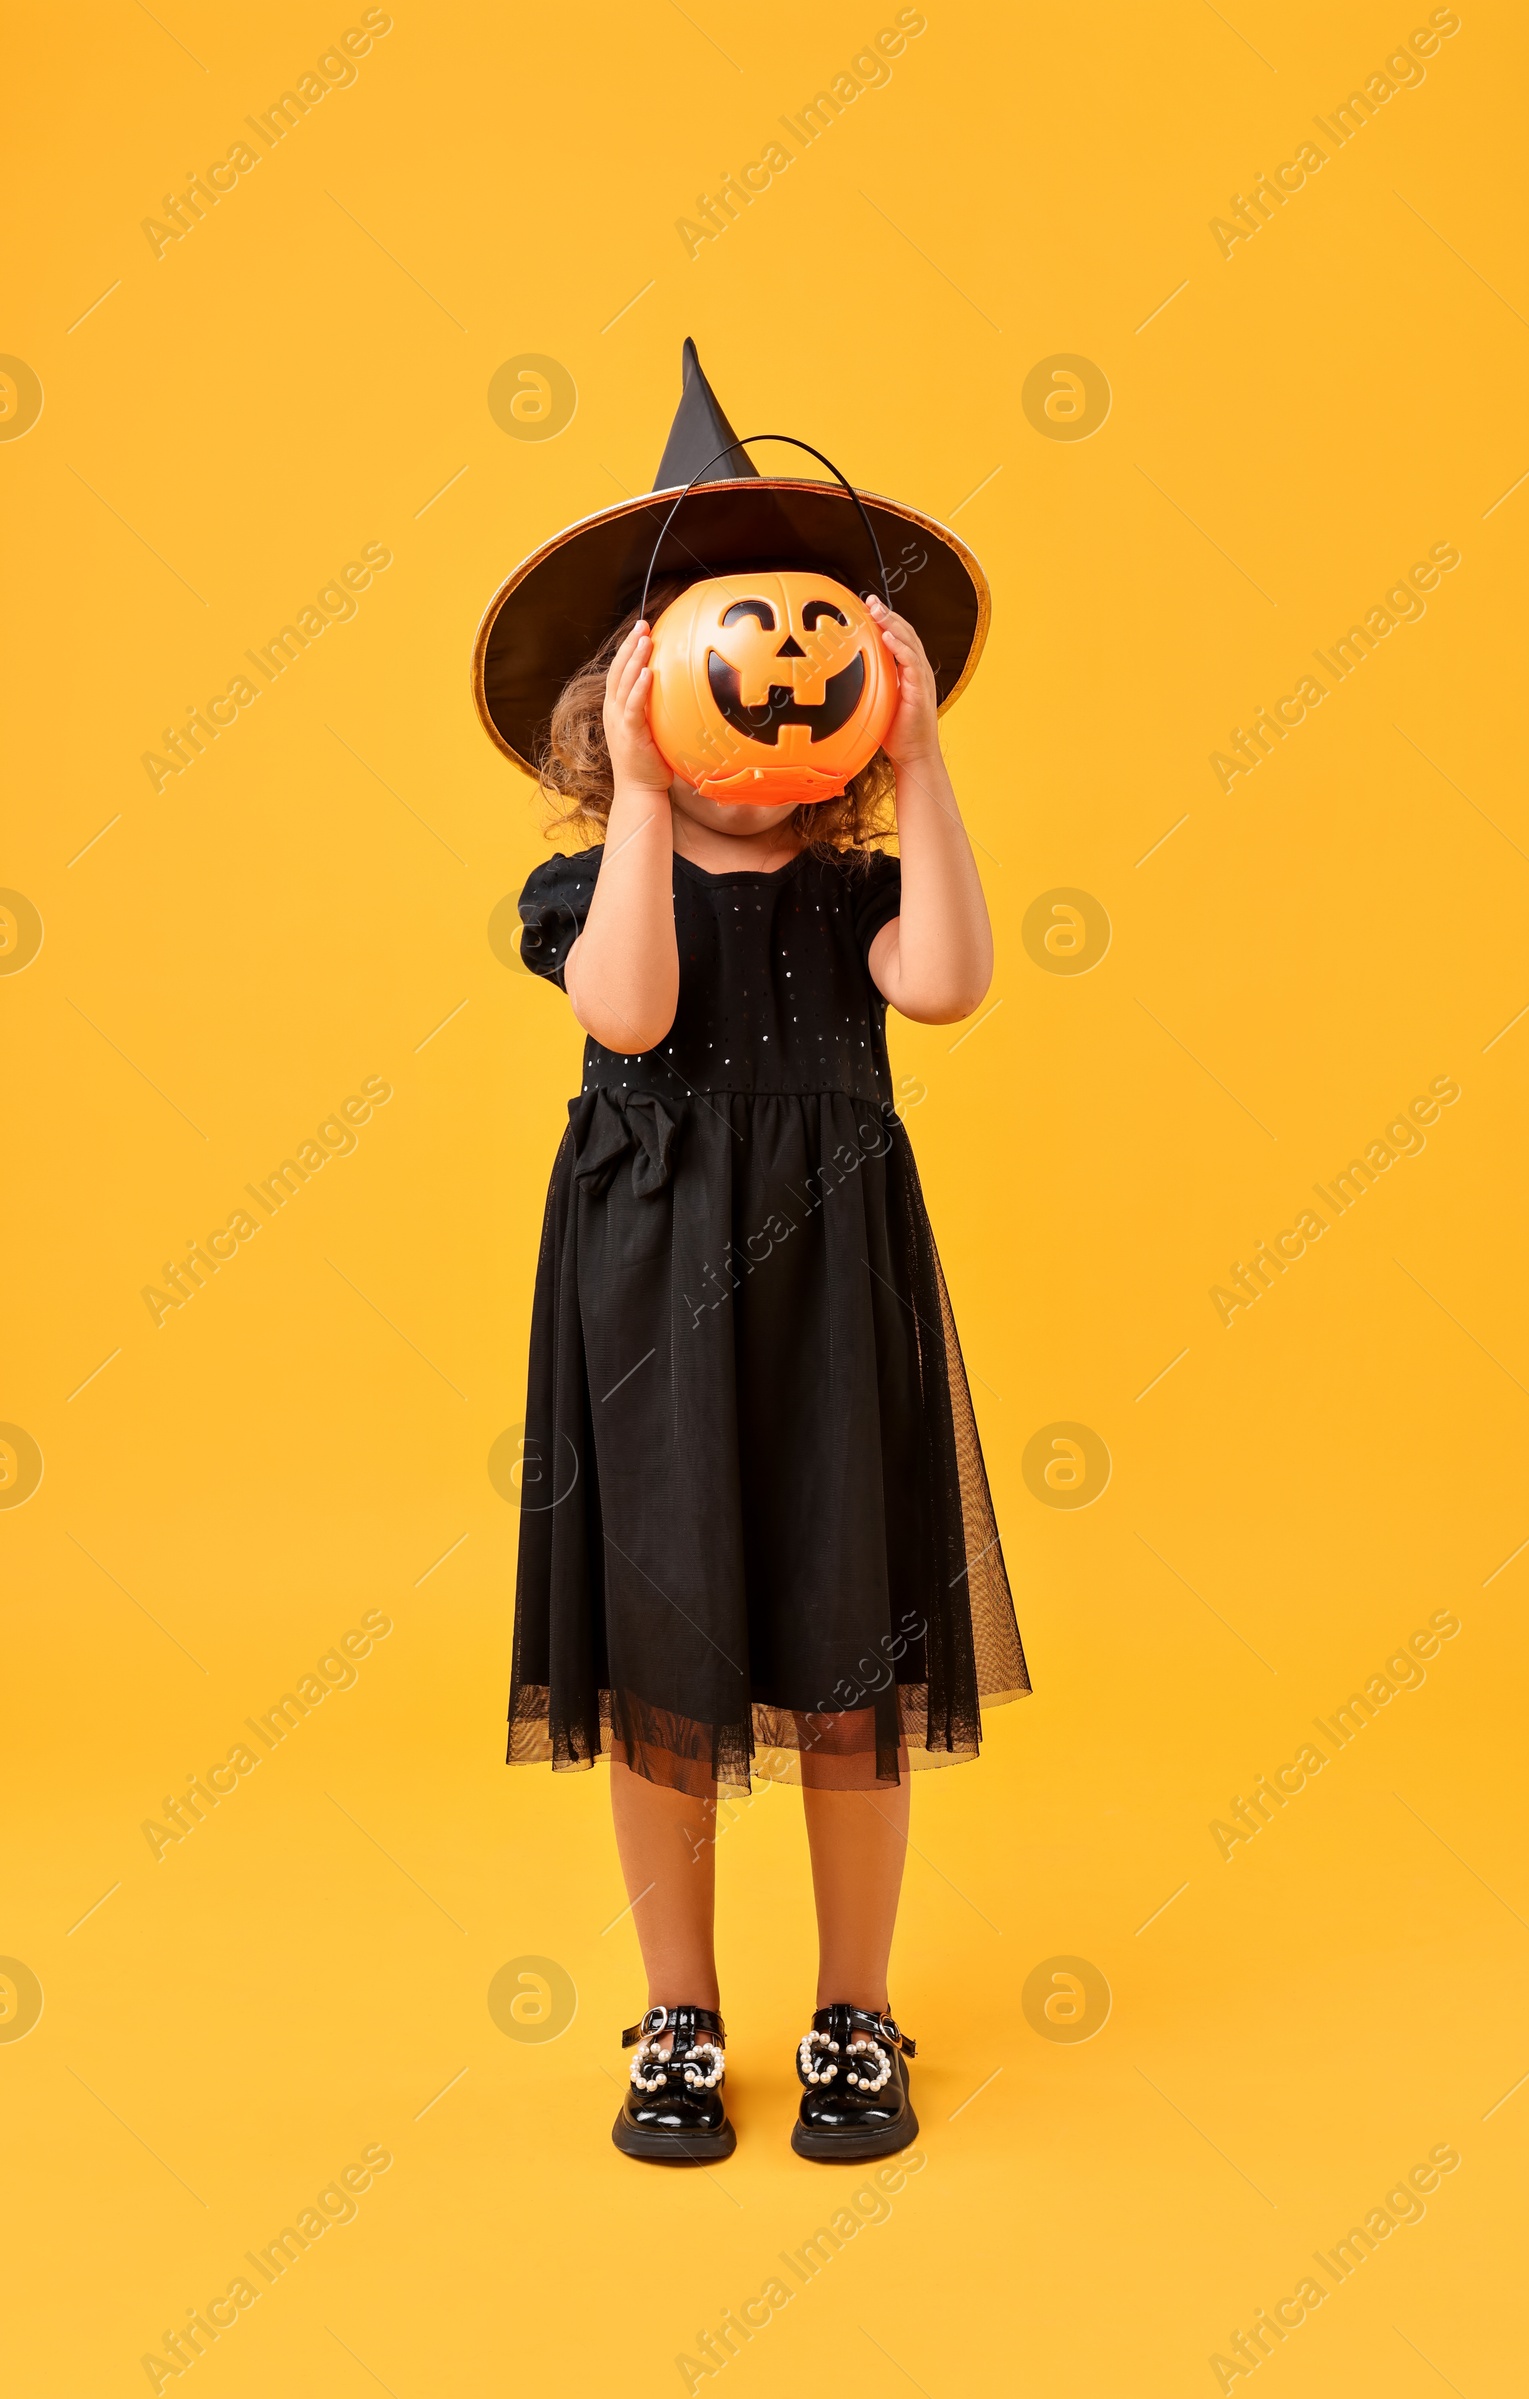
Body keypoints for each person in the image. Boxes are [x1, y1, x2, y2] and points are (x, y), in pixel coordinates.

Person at [475, 340, 1030, 2164]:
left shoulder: (856, 890)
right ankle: (679, 2019)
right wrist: (643, 793)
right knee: (670, 1666)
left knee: (854, 1653)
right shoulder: (590, 887)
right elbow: (629, 1019)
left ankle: (856, 2008)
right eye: (727, 653)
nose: (773, 691)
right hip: (651, 1291)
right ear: (627, 694)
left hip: (831, 1280)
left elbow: (946, 986)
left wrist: (925, 756)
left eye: (815, 655)